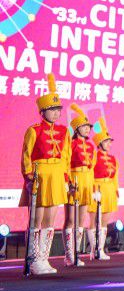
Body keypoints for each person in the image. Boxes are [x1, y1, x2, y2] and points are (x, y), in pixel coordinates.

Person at [21, 73, 71, 275]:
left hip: (57, 174)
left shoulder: (64, 131)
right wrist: (28, 175)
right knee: (37, 218)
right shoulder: (34, 130)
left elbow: (66, 156)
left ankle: (43, 258)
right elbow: (26, 155)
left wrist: (66, 178)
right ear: (42, 112)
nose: (56, 113)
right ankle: (33, 259)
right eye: (52, 109)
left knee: (50, 219)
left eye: (58, 109)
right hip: (40, 175)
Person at [66, 103, 96, 267]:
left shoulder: (91, 146)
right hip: (74, 179)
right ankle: (69, 255)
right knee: (70, 219)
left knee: (81, 220)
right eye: (84, 126)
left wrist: (92, 186)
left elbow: (92, 167)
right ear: (77, 128)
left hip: (86, 181)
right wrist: (68, 181)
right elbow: (66, 163)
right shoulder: (70, 144)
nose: (87, 129)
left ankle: (76, 252)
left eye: (88, 127)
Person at [89, 117, 118, 260]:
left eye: (109, 141)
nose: (109, 144)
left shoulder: (113, 158)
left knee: (105, 221)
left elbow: (115, 177)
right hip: (97, 188)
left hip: (109, 189)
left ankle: (100, 249)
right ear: (99, 143)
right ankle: (94, 250)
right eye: (106, 141)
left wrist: (115, 191)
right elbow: (90, 173)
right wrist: (93, 190)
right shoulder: (94, 156)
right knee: (94, 220)